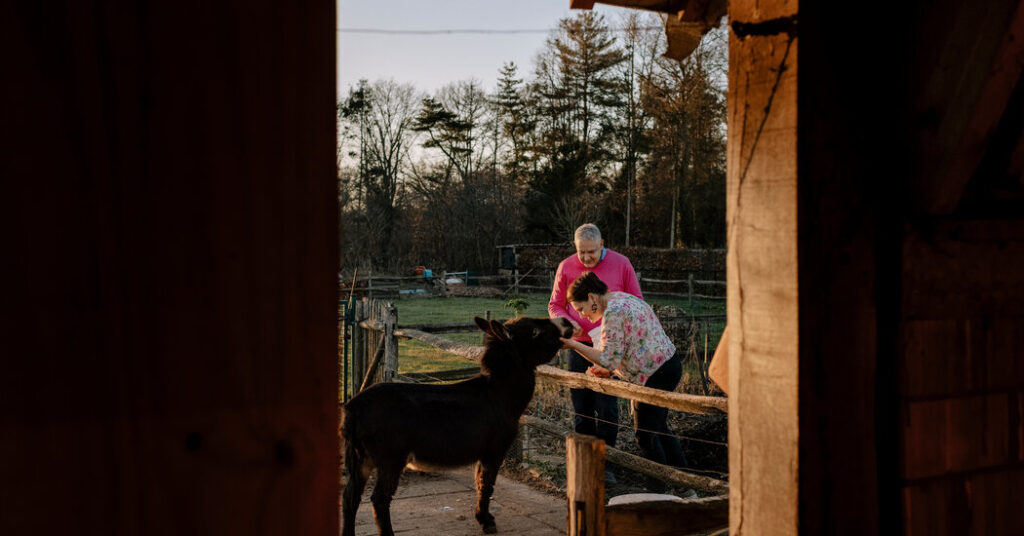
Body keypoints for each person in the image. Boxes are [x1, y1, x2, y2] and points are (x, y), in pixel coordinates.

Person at [559, 271, 688, 473]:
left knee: (645, 436)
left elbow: (609, 360)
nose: (581, 315)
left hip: (654, 374)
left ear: (592, 297)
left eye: (580, 308)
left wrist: (574, 345)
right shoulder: (622, 298)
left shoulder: (612, 313)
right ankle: (685, 484)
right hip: (669, 365)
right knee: (658, 428)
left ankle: (661, 488)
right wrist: (609, 370)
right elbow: (622, 351)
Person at [548, 224, 642, 466]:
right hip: (577, 347)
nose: (587, 257)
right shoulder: (565, 267)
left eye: (592, 251)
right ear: (575, 248)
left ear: (602, 244)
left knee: (608, 410)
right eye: (582, 252)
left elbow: (636, 301)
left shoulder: (622, 264)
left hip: (610, 349)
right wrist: (567, 320)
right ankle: (585, 463)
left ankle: (606, 464)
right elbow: (555, 305)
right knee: (582, 409)